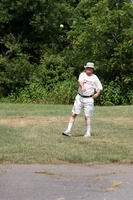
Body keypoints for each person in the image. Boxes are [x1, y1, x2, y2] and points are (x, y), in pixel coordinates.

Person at [62, 62, 103, 137]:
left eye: (90, 68)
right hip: (80, 97)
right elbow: (80, 81)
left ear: (92, 70)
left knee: (87, 116)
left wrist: (97, 94)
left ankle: (88, 133)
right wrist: (82, 86)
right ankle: (68, 130)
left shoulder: (95, 78)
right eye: (87, 68)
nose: (88, 70)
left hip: (89, 98)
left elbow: (99, 87)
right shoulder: (82, 74)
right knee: (74, 114)